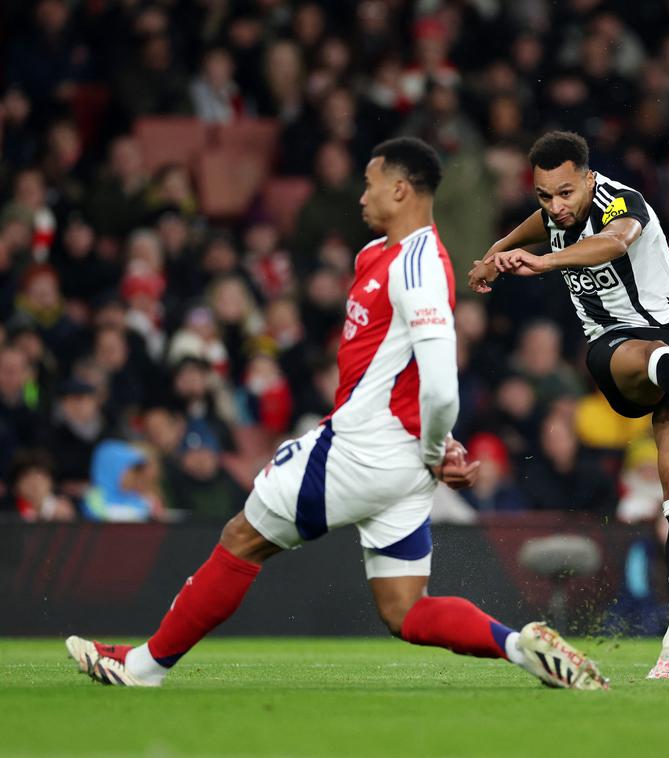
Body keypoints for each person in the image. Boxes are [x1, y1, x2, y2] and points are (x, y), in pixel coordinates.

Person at [65, 138, 607, 691]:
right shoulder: (376, 254)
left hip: (363, 449)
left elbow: (444, 384)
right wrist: (433, 449)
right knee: (404, 610)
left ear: (400, 189)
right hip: (401, 465)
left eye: (370, 183)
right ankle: (523, 646)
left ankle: (143, 668)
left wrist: (434, 445)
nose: (362, 195)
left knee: (241, 537)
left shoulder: (418, 265)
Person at [467, 130, 669, 679]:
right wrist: (495, 254)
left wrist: (543, 263)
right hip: (614, 350)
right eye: (544, 195)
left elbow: (615, 243)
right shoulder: (554, 212)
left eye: (565, 193)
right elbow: (537, 225)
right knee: (637, 353)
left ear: (588, 178)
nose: (555, 206)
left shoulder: (623, 201)